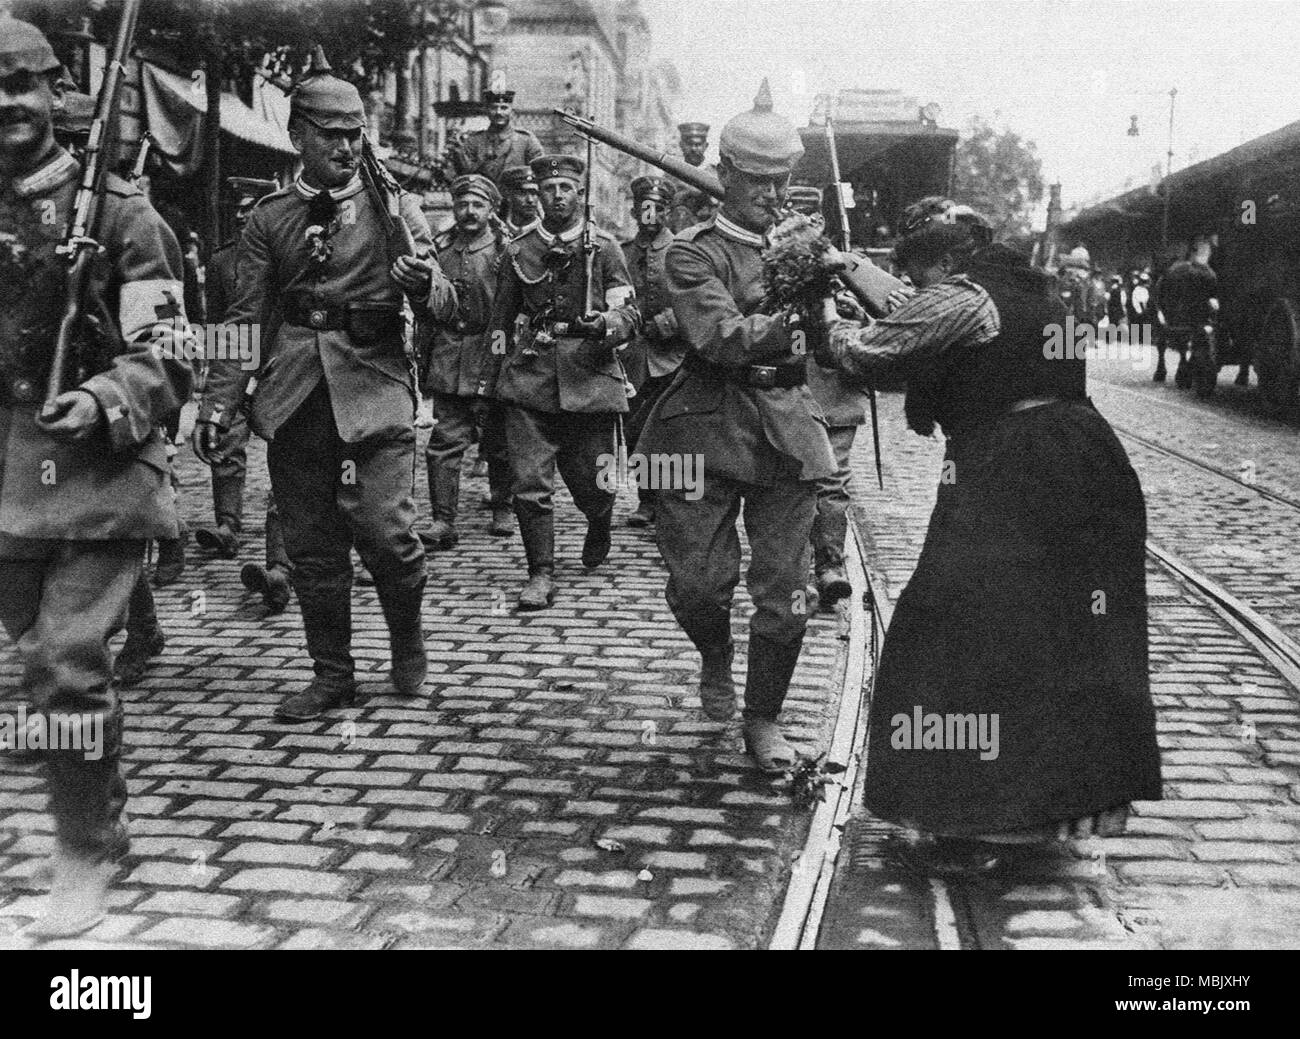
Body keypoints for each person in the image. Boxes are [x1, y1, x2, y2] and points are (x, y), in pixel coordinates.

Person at [818, 200, 1161, 872]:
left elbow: (867, 354)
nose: (918, 288)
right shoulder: (1034, 288)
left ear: (947, 261)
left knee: (957, 628)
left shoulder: (965, 297)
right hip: (1086, 456)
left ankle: (978, 819)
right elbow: (932, 333)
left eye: (920, 273)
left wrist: (824, 314)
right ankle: (1051, 807)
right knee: (1065, 634)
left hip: (1015, 467)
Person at [0, 18, 193, 935]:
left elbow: (171, 349)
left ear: (57, 98)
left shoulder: (119, 213)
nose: (7, 106)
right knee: (42, 664)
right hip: (5, 476)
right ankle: (104, 814)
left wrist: (111, 394)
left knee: (65, 664)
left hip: (96, 471)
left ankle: (79, 851)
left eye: (22, 86)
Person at [193, 55, 456, 721]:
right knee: (311, 544)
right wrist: (219, 399)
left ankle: (406, 635)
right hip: (296, 391)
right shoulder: (270, 218)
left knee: (388, 534)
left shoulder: (395, 207)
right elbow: (241, 319)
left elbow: (449, 303)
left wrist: (423, 285)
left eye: (355, 133)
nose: (346, 146)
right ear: (297, 136)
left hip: (376, 381)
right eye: (332, 133)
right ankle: (332, 674)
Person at [637, 81, 837, 773]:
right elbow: (722, 335)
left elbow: (834, 343)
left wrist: (840, 301)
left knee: (786, 595)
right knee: (697, 586)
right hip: (704, 427)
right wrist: (796, 303)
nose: (773, 195)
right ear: (724, 177)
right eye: (757, 181)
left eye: (783, 181)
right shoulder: (690, 252)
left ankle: (765, 717)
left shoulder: (808, 245)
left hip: (786, 428)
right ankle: (715, 651)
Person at [484, 153, 640, 610]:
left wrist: (605, 324)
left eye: (566, 188)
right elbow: (499, 322)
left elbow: (629, 314)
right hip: (529, 376)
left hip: (589, 376)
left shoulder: (605, 248)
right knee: (529, 483)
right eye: (547, 189)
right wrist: (488, 381)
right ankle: (540, 573)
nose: (556, 196)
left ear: (579, 193)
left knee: (592, 481)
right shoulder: (518, 250)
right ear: (537, 195)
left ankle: (600, 517)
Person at [419, 173, 513, 549]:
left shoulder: (506, 252)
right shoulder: (439, 250)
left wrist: (505, 359)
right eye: (462, 204)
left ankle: (503, 506)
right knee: (444, 441)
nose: (469, 211)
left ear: (491, 210)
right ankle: (444, 521)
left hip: (492, 352)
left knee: (499, 439)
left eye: (477, 204)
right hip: (449, 355)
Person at [192, 176, 278, 560]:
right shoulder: (222, 259)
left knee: (288, 450)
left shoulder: (286, 255)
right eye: (240, 210)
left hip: (281, 362)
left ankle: (285, 543)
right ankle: (227, 525)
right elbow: (215, 321)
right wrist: (215, 375)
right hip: (238, 360)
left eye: (252, 209)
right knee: (226, 442)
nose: (243, 217)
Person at [621, 175, 685, 529]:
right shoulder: (622, 252)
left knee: (672, 431)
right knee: (635, 430)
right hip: (632, 357)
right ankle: (647, 498)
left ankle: (671, 500)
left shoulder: (681, 251)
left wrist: (664, 324)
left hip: (672, 356)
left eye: (658, 209)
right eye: (644, 208)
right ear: (634, 211)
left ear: (668, 213)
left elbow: (694, 300)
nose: (650, 215)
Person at [1153, 235, 1218, 390]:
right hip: (1200, 317)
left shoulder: (1170, 272)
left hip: (1178, 316)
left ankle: (1164, 366)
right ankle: (1184, 364)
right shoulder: (1209, 273)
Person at [449, 89, 543, 187]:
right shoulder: (474, 141)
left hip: (517, 196)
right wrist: (458, 154)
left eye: (504, 108)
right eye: (493, 108)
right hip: (485, 197)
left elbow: (540, 171)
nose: (498, 112)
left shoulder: (526, 140)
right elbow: (465, 175)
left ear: (512, 111)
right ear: (486, 110)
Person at [499, 163, 540, 238]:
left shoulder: (547, 231)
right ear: (508, 196)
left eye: (534, 193)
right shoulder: (497, 230)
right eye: (522, 193)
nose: (530, 200)